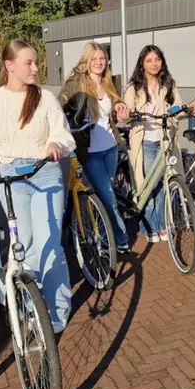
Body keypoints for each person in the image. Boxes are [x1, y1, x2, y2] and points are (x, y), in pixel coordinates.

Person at [0, 39, 76, 336]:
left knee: (49, 243)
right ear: (9, 66)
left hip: (45, 173)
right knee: (23, 244)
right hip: (11, 175)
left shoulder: (45, 98)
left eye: (35, 62)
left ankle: (55, 314)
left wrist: (55, 143)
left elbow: (63, 134)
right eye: (28, 62)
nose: (35, 67)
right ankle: (30, 305)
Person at [58, 42, 131, 254]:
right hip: (88, 152)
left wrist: (119, 106)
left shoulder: (109, 82)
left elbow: (114, 105)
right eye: (95, 58)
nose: (99, 62)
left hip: (111, 148)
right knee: (109, 197)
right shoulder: (76, 82)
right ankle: (120, 238)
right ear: (87, 61)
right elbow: (59, 103)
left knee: (105, 193)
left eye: (102, 58)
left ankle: (96, 228)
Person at [121, 45, 194, 242]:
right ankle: (150, 227)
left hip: (165, 141)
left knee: (164, 186)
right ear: (142, 64)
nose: (154, 64)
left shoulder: (168, 84)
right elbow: (125, 113)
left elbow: (177, 109)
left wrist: (188, 109)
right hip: (145, 142)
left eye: (157, 59)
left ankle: (162, 225)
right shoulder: (134, 87)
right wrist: (126, 114)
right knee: (148, 186)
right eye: (149, 60)